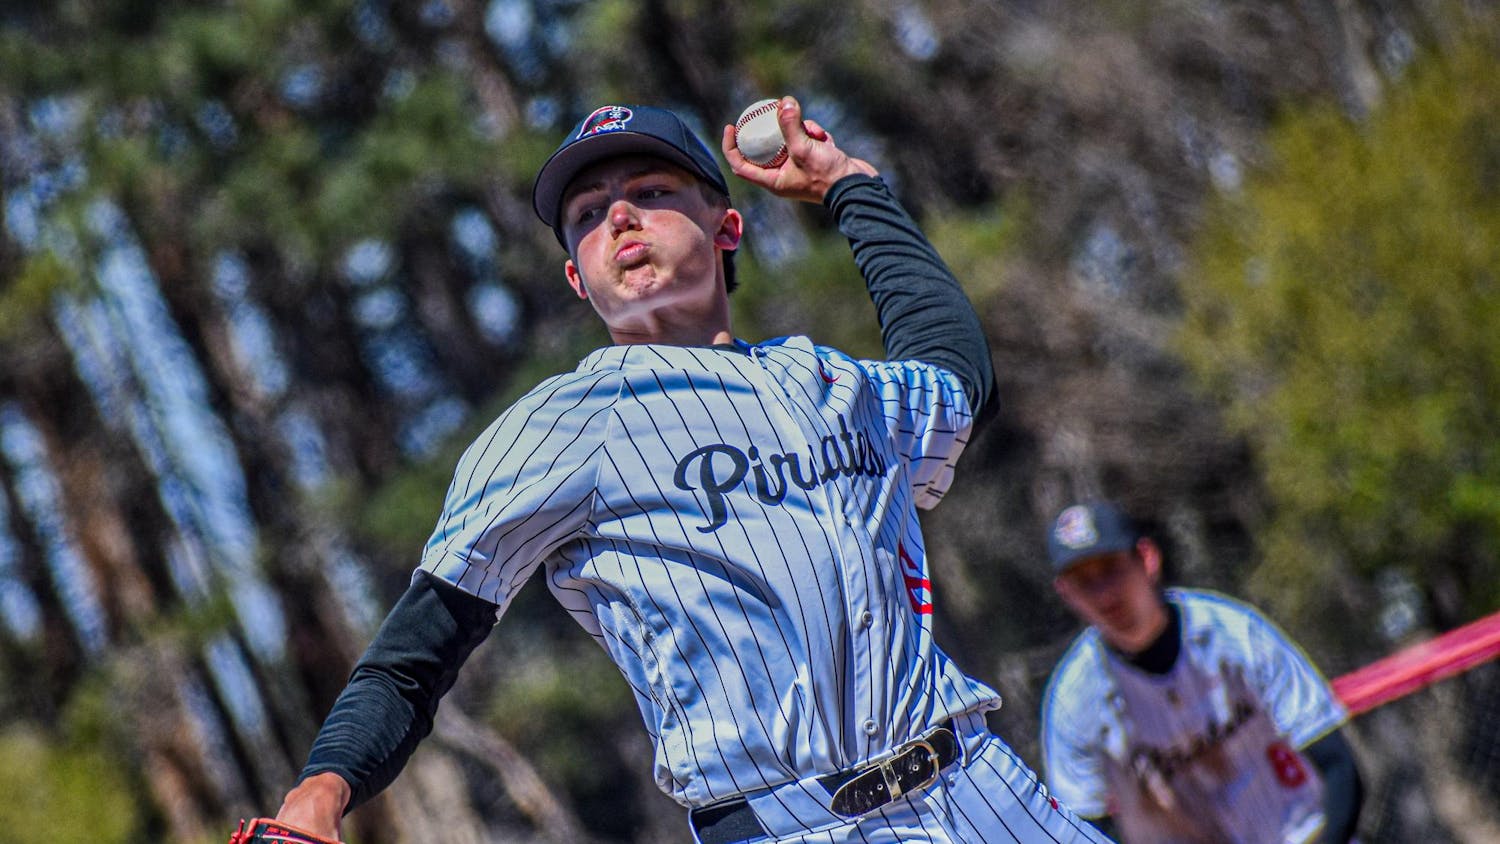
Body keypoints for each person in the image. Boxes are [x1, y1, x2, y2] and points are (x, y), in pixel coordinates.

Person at [270, 97, 1111, 843]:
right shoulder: (560, 430)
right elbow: (420, 647)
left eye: (654, 192)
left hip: (982, 790)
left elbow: (960, 377)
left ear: (727, 226)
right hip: (789, 826)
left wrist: (851, 185)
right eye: (590, 213)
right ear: (575, 277)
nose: (622, 217)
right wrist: (320, 792)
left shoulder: (829, 383)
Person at [1038, 500, 1364, 843]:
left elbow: (1340, 766)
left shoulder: (1234, 634)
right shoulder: (1074, 700)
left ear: (1147, 558)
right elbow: (1078, 832)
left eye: (1110, 568)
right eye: (1083, 581)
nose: (1104, 593)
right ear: (1066, 593)